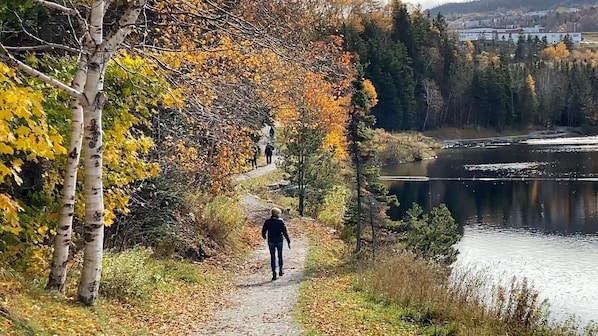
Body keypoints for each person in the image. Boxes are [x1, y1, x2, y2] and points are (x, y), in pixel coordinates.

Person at [262, 207, 291, 281]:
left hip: (271, 241)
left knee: (272, 257)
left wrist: (264, 236)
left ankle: (274, 273)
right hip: (279, 241)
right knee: (280, 256)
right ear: (278, 214)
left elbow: (263, 231)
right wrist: (288, 240)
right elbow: (284, 232)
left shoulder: (268, 221)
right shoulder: (280, 221)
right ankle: (281, 271)